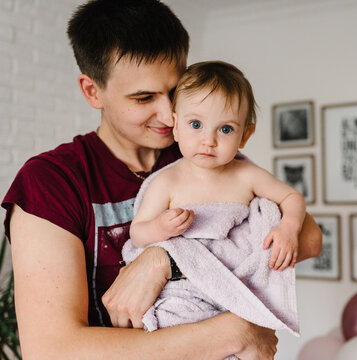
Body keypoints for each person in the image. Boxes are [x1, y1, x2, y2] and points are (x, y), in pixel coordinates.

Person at [1, 0, 322, 359]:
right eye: (144, 97)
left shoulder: (196, 151)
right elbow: (50, 352)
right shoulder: (51, 182)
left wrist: (162, 260)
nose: (170, 115)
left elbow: (308, 237)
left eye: (174, 91)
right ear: (93, 91)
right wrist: (233, 334)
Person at [130, 61, 305, 272]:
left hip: (235, 276)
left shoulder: (246, 176)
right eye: (196, 125)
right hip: (184, 280)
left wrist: (288, 229)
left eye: (225, 129)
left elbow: (291, 197)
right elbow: (137, 234)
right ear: (175, 127)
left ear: (245, 136)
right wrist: (159, 227)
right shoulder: (167, 182)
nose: (209, 140)